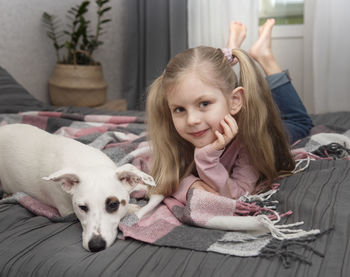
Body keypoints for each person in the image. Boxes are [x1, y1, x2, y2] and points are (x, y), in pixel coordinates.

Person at [145, 19, 312, 204]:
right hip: (228, 102)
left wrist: (207, 160)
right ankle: (226, 59)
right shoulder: (172, 131)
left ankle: (265, 56)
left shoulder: (249, 139)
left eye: (204, 104)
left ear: (235, 101)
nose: (191, 120)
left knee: (300, 122)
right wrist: (190, 185)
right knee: (213, 81)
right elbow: (157, 176)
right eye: (179, 109)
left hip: (262, 127)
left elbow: (238, 194)